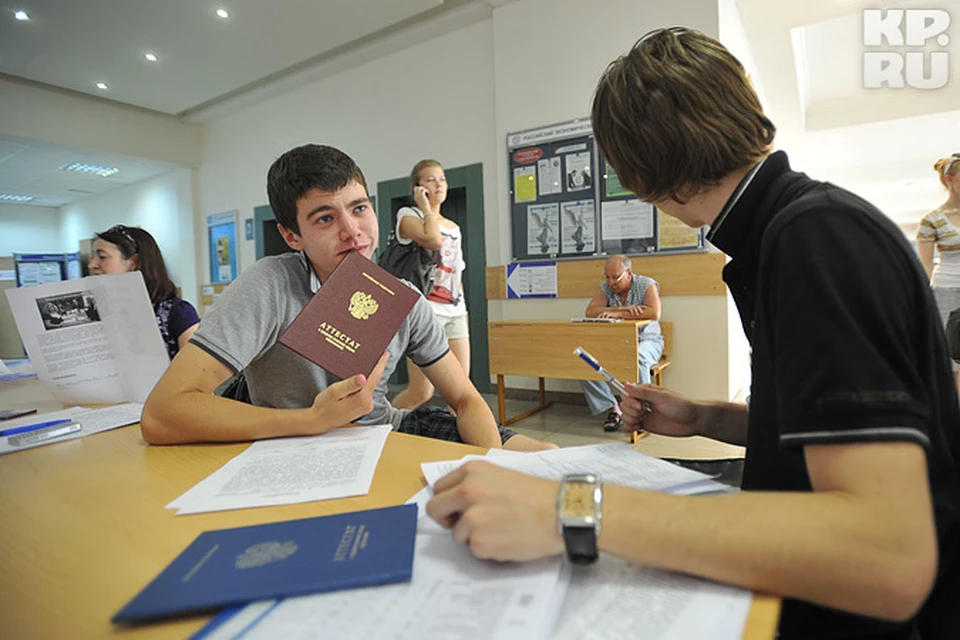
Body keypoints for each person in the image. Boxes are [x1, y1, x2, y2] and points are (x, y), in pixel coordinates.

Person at [427, 28, 960, 639]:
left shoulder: (817, 239)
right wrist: (709, 418)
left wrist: (570, 509)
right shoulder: (790, 231)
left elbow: (888, 558)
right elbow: (829, 429)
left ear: (639, 173)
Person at [141, 144, 554, 453]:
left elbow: (465, 399)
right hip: (288, 442)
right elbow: (161, 415)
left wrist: (494, 472)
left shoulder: (403, 299)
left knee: (542, 457)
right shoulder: (270, 285)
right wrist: (313, 420)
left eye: (359, 208)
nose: (352, 231)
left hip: (381, 432)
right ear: (291, 235)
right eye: (325, 217)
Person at [392, 160, 470, 411]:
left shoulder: (454, 228)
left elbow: (457, 273)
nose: (439, 184)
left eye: (442, 179)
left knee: (461, 391)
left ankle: (454, 442)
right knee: (421, 392)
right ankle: (385, 427)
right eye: (430, 179)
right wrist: (425, 206)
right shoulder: (408, 215)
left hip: (455, 311)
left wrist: (464, 312)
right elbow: (433, 240)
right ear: (417, 187)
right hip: (426, 312)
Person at [89, 225, 199, 360]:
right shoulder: (99, 309)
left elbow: (197, 370)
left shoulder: (179, 313)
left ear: (134, 262)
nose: (92, 264)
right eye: (93, 256)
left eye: (102, 257)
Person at [580, 255, 663, 431]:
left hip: (648, 341)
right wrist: (623, 310)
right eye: (607, 277)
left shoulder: (646, 284)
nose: (611, 282)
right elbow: (590, 311)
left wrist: (617, 314)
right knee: (586, 361)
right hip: (617, 344)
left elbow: (654, 313)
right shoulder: (606, 288)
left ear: (628, 274)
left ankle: (641, 412)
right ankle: (613, 409)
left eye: (615, 277)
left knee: (637, 357)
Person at [917, 152, 960, 395]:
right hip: (946, 291)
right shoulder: (931, 219)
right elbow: (925, 267)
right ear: (949, 180)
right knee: (953, 360)